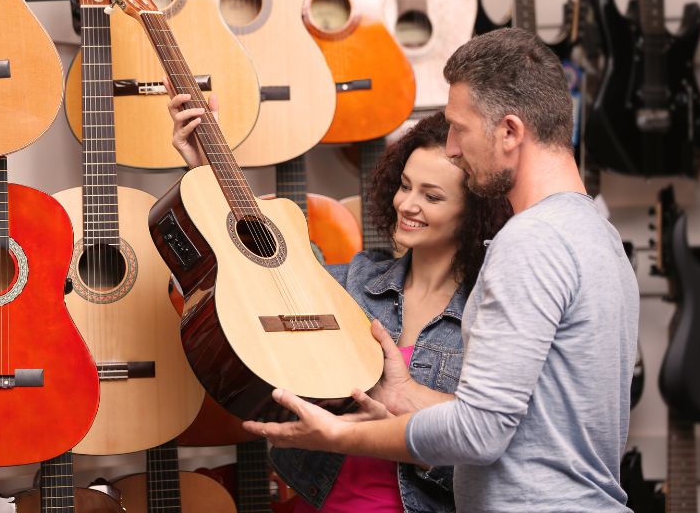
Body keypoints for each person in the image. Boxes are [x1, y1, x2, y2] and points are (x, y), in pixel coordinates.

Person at [241, 28, 640, 513]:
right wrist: (405, 393)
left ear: (510, 132)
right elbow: (529, 424)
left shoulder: (530, 240)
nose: (451, 147)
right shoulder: (596, 232)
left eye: (459, 128)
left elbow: (479, 433)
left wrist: (338, 435)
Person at [165, 88, 511, 511]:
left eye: (432, 196)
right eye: (404, 186)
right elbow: (258, 276)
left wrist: (403, 430)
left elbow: (493, 453)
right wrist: (206, 165)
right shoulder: (355, 281)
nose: (408, 204)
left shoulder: (489, 315)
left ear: (474, 212)